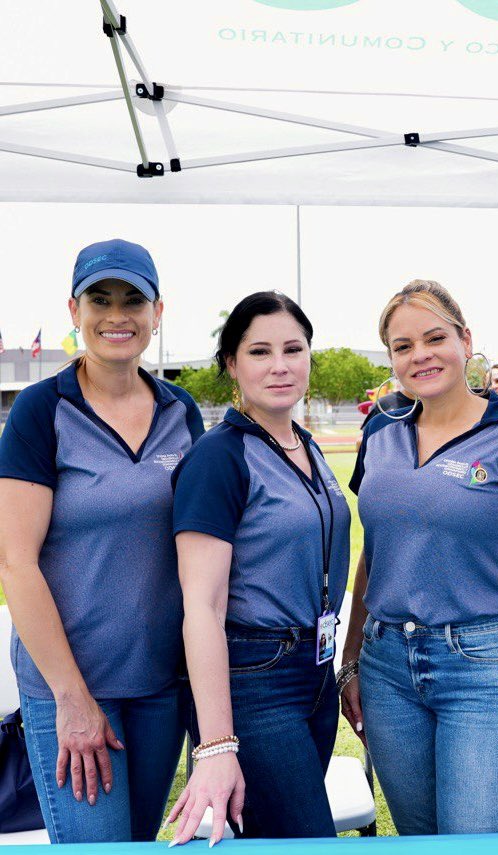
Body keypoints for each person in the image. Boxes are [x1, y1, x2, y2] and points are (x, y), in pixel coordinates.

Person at [338, 279, 498, 835]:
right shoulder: (380, 433)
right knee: (420, 841)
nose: (420, 355)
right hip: (387, 666)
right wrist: (352, 662)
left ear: (465, 341)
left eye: (434, 337)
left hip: (482, 666)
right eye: (403, 346)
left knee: (476, 840)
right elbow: (374, 555)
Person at [0, 238, 204, 843]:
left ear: (157, 313)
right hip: (74, 686)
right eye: (100, 299)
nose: (117, 315)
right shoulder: (42, 411)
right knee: (98, 849)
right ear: (74, 311)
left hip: (160, 685)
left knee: (138, 844)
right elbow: (16, 563)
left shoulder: (180, 410)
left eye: (132, 300)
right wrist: (72, 699)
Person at [166, 292, 350, 846]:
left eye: (294, 349)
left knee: (273, 839)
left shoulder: (306, 446)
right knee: (306, 840)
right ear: (231, 364)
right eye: (260, 351)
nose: (280, 365)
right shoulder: (219, 457)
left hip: (314, 672)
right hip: (254, 679)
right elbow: (201, 606)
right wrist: (217, 745)